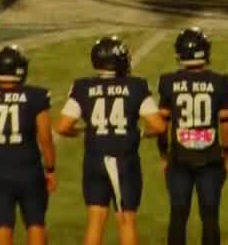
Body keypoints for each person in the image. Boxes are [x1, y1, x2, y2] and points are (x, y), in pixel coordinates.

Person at [55, 37, 164, 245]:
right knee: (126, 219)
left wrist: (81, 131)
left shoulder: (82, 86)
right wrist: (140, 133)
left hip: (93, 159)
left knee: (95, 220)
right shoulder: (136, 86)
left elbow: (62, 126)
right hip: (123, 160)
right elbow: (159, 126)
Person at [0, 47, 55, 245]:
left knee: (2, 224)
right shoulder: (36, 96)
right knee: (36, 223)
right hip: (28, 169)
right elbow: (45, 137)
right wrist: (50, 169)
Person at [156, 28, 228, 245]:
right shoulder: (220, 82)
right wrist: (227, 154)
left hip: (179, 158)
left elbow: (162, 124)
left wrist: (163, 154)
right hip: (210, 158)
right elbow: (226, 123)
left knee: (178, 215)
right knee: (210, 216)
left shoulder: (168, 81)